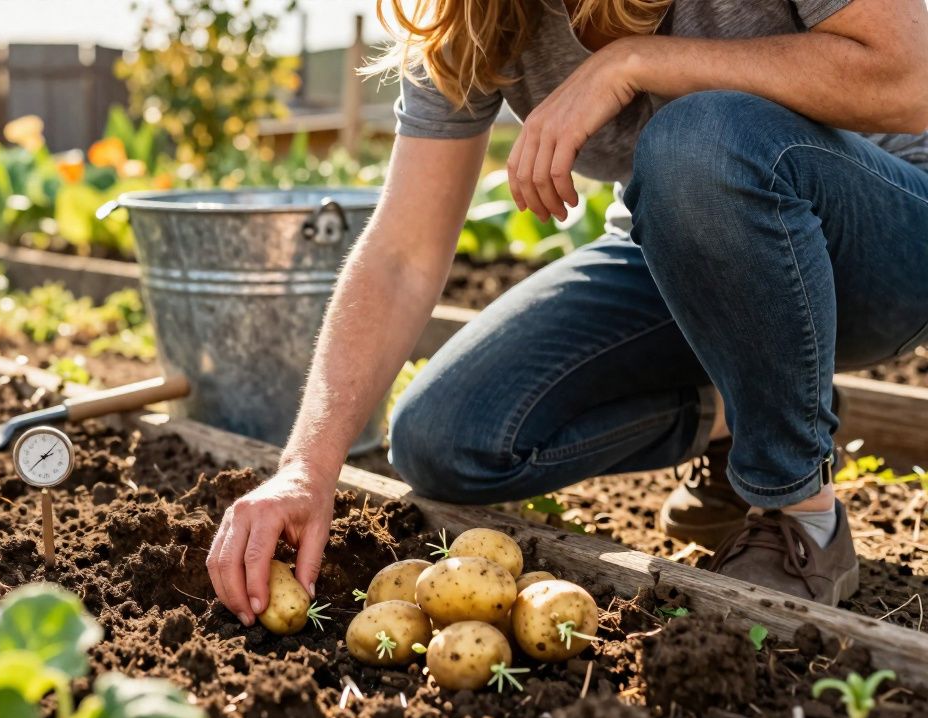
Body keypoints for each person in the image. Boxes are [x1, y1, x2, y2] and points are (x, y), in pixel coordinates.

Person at [207, 0, 928, 625]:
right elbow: (401, 254)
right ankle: (745, 407)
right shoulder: (473, 19)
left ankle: (800, 515)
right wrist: (304, 468)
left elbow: (908, 75)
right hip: (695, 258)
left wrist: (636, 62)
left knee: (699, 136)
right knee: (447, 437)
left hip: (890, 241)